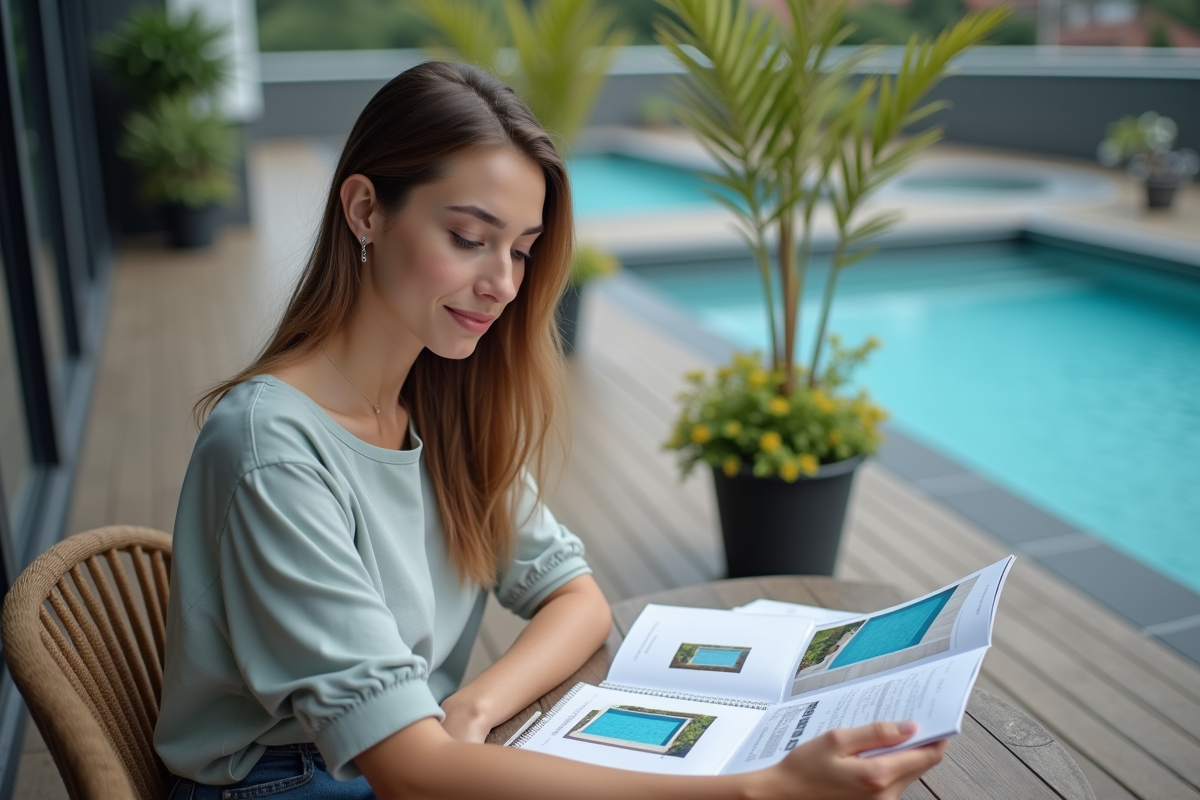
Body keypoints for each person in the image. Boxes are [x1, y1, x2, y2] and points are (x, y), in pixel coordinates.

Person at [154, 61, 947, 800]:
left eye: (522, 250)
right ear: (365, 209)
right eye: (468, 238)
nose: (501, 283)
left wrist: (470, 709)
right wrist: (751, 790)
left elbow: (577, 598)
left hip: (411, 749)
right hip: (289, 781)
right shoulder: (272, 450)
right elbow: (406, 773)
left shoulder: (439, 401)